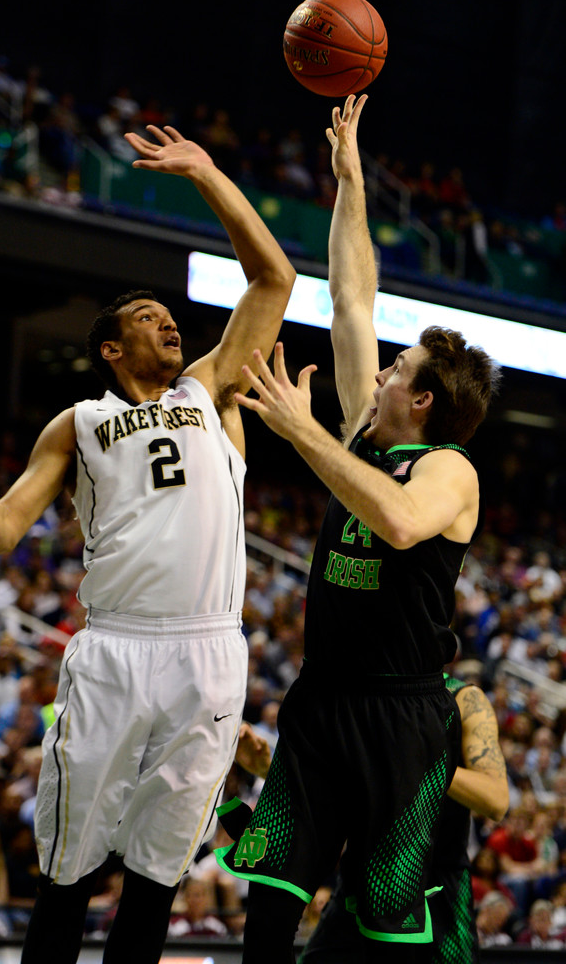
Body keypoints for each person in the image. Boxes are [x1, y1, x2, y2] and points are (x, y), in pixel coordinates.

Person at [0, 121, 296, 964]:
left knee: (161, 869)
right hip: (115, 648)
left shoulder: (208, 389)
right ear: (112, 349)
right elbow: (1, 534)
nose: (168, 322)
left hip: (209, 650)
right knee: (67, 865)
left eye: (169, 313)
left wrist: (207, 173)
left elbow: (274, 276)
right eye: (148, 318)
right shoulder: (80, 421)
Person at [217, 94, 501, 963]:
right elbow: (351, 295)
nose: (376, 372)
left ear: (421, 401)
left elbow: (401, 525)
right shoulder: (360, 437)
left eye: (396, 371)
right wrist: (349, 182)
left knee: (384, 930)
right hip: (320, 702)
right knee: (266, 905)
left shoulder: (448, 469)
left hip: (399, 716)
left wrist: (300, 432)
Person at [296, 674, 509, 963]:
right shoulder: (360, 692)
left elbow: (496, 798)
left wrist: (422, 761)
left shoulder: (463, 697)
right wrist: (265, 767)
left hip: (436, 887)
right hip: (363, 879)